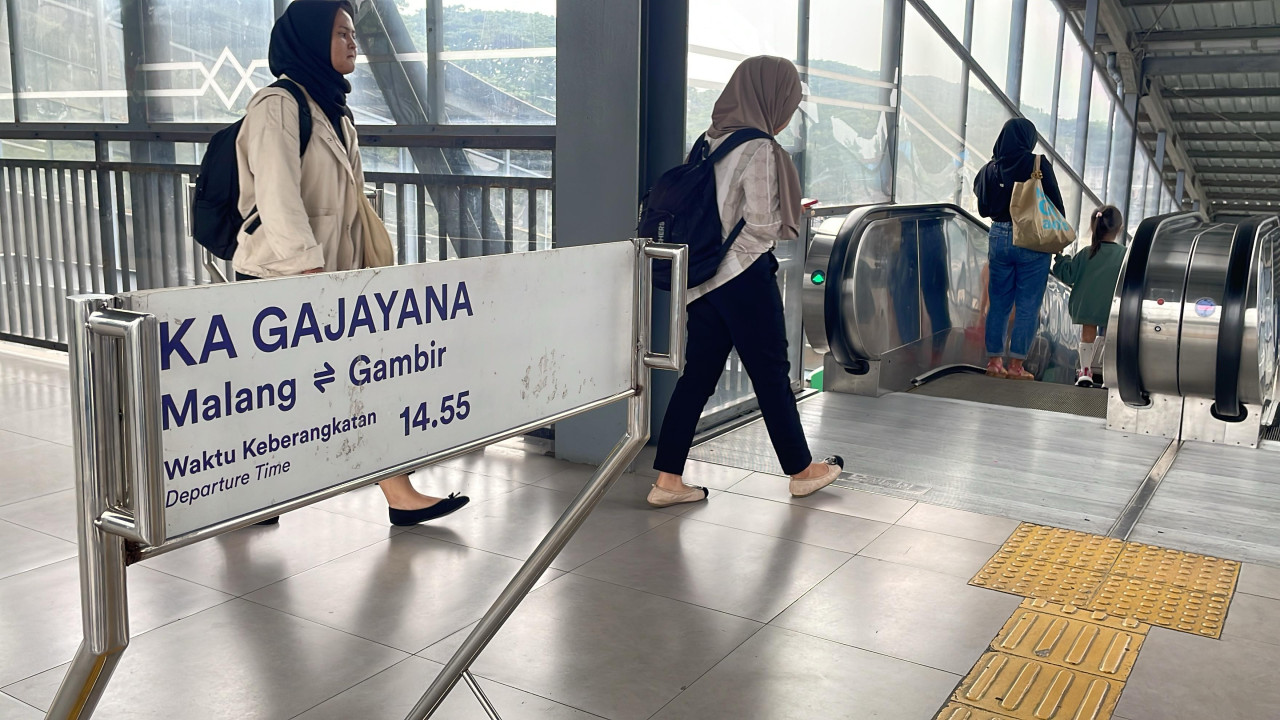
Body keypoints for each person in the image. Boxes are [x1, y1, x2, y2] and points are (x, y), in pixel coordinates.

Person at [234, 0, 468, 526]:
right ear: (313, 40)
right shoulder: (277, 105)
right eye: (342, 32)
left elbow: (349, 203)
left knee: (365, 379)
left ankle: (398, 492)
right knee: (270, 397)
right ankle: (248, 495)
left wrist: (361, 273)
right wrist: (311, 274)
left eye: (353, 32)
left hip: (330, 281)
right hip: (279, 280)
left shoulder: (333, 109)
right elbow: (277, 197)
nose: (352, 41)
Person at [647, 56, 843, 508]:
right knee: (771, 373)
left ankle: (669, 480)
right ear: (769, 97)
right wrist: (788, 218)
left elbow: (712, 213)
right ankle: (801, 470)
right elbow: (759, 225)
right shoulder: (759, 147)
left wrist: (711, 269)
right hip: (742, 278)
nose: (789, 109)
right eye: (788, 100)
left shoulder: (708, 140)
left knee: (697, 376)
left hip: (699, 279)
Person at [974, 118, 1066, 381]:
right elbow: (1056, 206)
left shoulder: (989, 169)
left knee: (999, 302)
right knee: (1027, 305)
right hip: (1032, 240)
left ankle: (994, 362)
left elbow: (983, 209)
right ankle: (1016, 366)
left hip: (999, 237)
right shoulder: (1037, 163)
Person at [1052, 206, 1125, 387]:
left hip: (1087, 304)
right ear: (1119, 228)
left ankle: (1085, 371)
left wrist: (1060, 258)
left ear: (1094, 227)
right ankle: (1108, 375)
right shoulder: (1124, 254)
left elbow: (1068, 274)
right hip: (1113, 305)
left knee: (1088, 335)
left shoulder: (1086, 253)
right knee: (1111, 337)